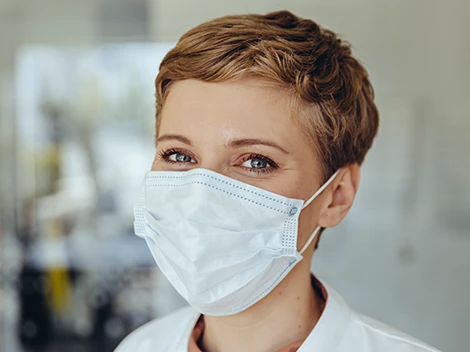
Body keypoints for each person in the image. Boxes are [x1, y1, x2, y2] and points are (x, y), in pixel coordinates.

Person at [116, 10, 440, 352]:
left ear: (336, 196)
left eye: (256, 161)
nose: (200, 196)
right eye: (179, 155)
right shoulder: (139, 346)